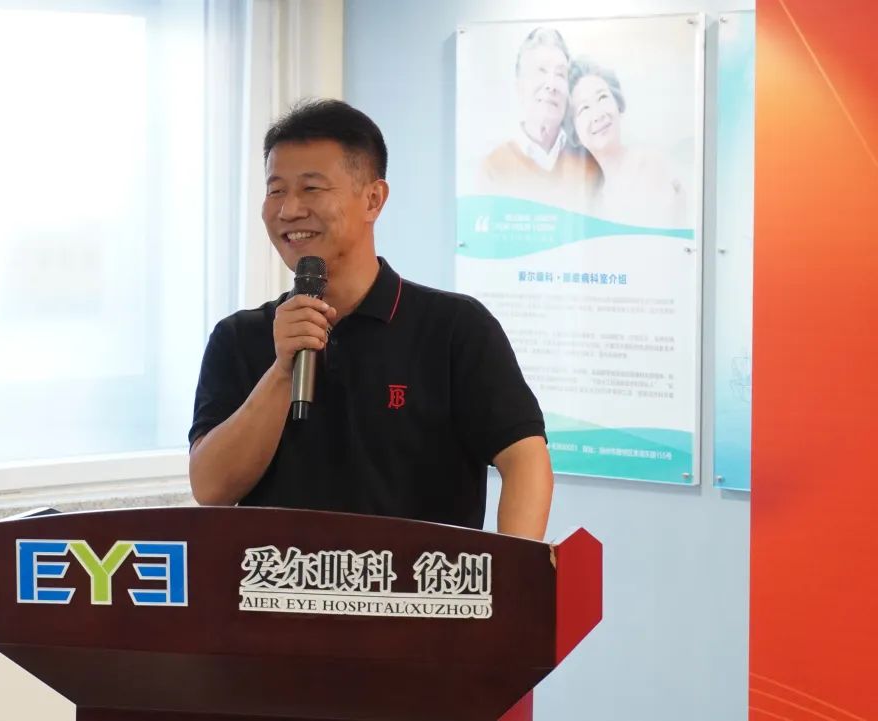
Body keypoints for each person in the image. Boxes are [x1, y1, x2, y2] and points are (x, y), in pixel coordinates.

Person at [189, 99, 553, 539]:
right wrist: (282, 370)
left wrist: (513, 568)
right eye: (276, 190)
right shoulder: (238, 337)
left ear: (373, 199)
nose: (288, 210)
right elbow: (211, 489)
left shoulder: (455, 328)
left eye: (311, 188)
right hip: (281, 580)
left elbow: (525, 458)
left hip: (418, 581)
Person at [480, 27, 596, 208]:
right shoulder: (493, 168)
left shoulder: (588, 164)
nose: (551, 85)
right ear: (519, 87)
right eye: (541, 71)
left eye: (560, 74)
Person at [568, 57, 687, 227]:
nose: (598, 115)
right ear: (575, 131)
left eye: (602, 97)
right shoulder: (592, 196)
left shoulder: (650, 165)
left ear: (618, 105)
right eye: (584, 108)